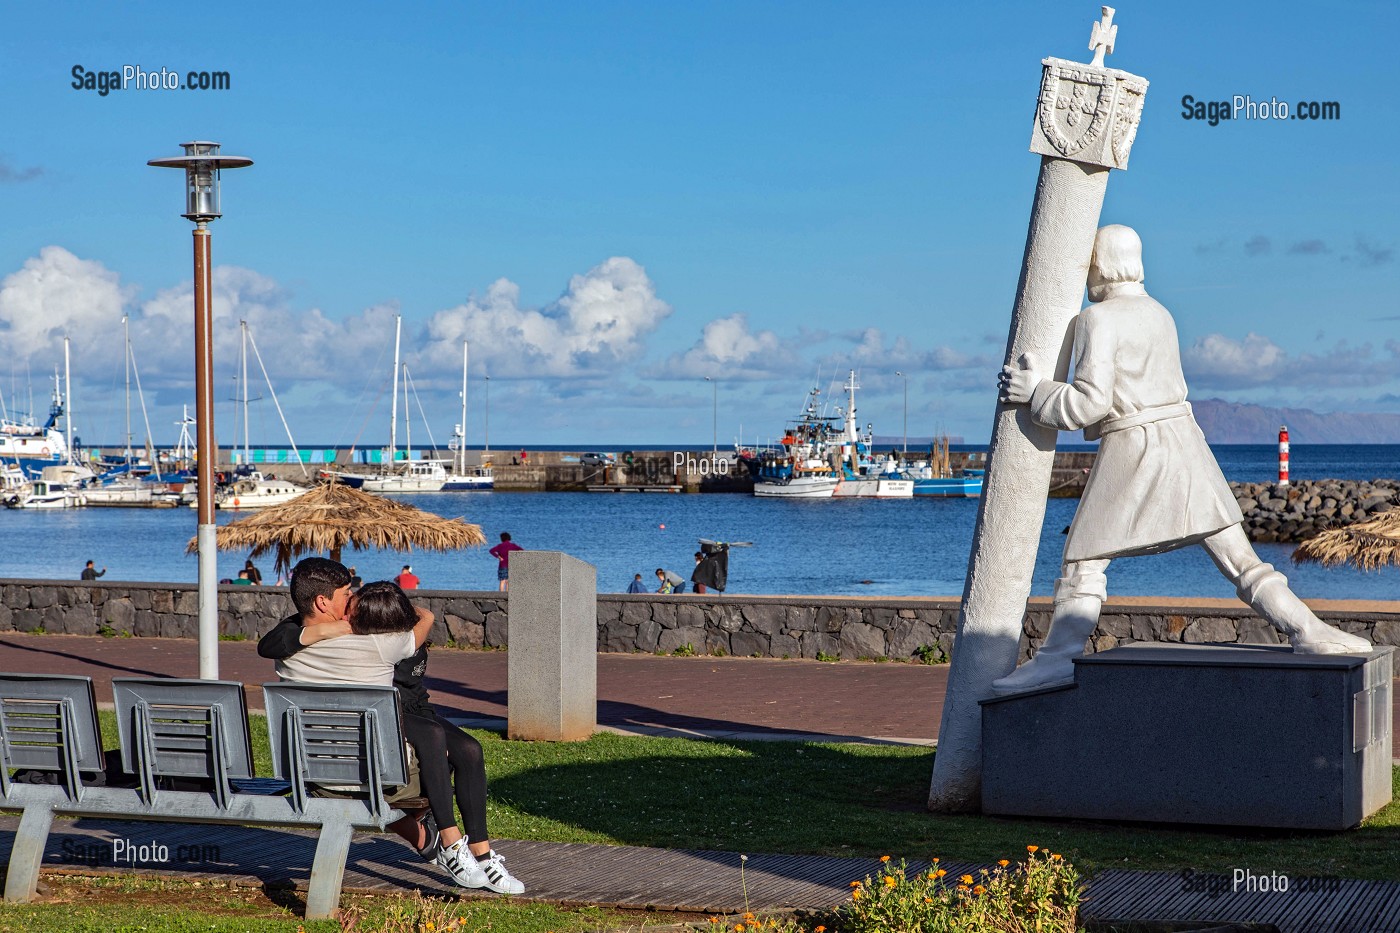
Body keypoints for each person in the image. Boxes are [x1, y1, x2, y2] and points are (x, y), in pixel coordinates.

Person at [993, 224, 1369, 693]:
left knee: (1083, 563)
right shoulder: (1161, 314)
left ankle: (1058, 658)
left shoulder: (1098, 319)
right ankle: (1309, 630)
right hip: (1186, 445)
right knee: (1243, 561)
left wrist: (1037, 392)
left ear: (1098, 264)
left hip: (1135, 449)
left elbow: (1090, 404)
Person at [258, 560, 524, 895]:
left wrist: (329, 630)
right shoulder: (379, 645)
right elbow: (424, 620)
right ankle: (450, 842)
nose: (352, 597)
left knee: (467, 748)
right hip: (371, 768)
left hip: (312, 767)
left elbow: (267, 644)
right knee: (433, 740)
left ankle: (479, 855)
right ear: (324, 602)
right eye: (346, 593)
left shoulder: (288, 650)